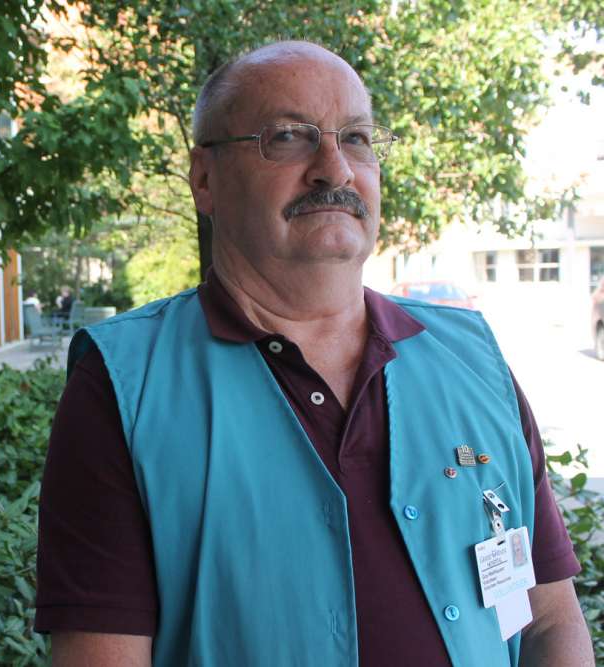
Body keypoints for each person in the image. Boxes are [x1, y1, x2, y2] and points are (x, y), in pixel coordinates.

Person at [34, 41, 594, 666]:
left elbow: (548, 622)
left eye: (355, 138)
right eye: (288, 137)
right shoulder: (124, 385)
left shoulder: (474, 361)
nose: (335, 168)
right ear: (204, 178)